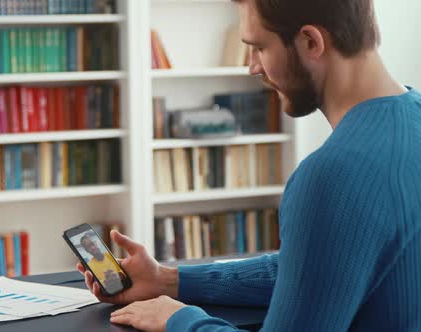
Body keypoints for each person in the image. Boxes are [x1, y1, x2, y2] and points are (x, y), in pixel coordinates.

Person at [77, 0, 421, 331]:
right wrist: (167, 280)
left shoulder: (332, 176)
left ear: (310, 42)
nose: (253, 67)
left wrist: (180, 320)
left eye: (259, 48)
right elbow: (313, 270)